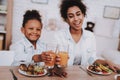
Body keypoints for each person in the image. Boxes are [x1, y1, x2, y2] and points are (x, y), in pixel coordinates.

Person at [54, 0, 120, 72]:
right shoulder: (58, 36)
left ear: (83, 14)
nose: (76, 19)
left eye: (78, 14)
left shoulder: (90, 36)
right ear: (66, 20)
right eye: (71, 16)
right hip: (63, 73)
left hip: (84, 75)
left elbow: (92, 59)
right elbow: (53, 60)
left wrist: (107, 62)